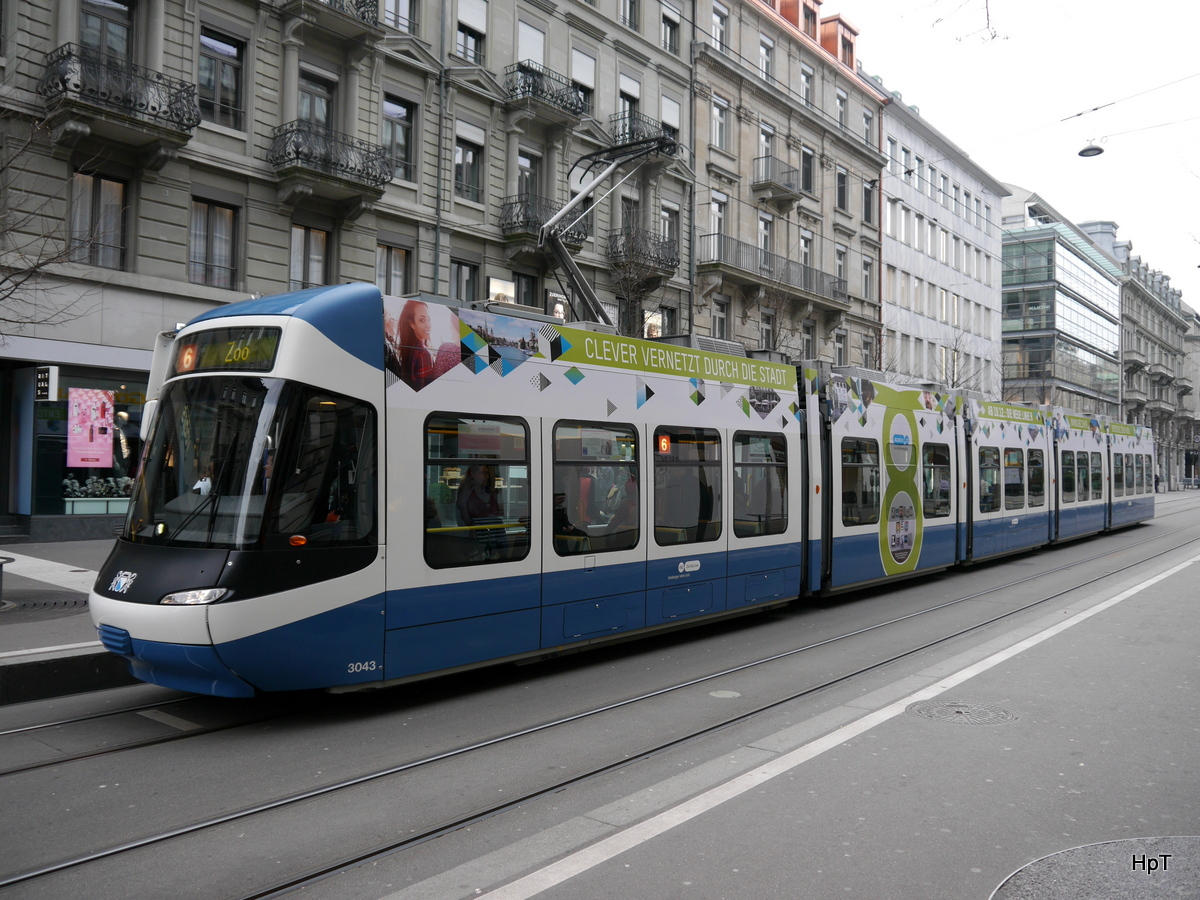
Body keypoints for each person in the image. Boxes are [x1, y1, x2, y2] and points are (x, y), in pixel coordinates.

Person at [398, 299, 433, 391]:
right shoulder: (423, 354)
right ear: (412, 324)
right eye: (422, 320)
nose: (428, 324)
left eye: (429, 319)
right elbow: (425, 393)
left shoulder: (406, 349)